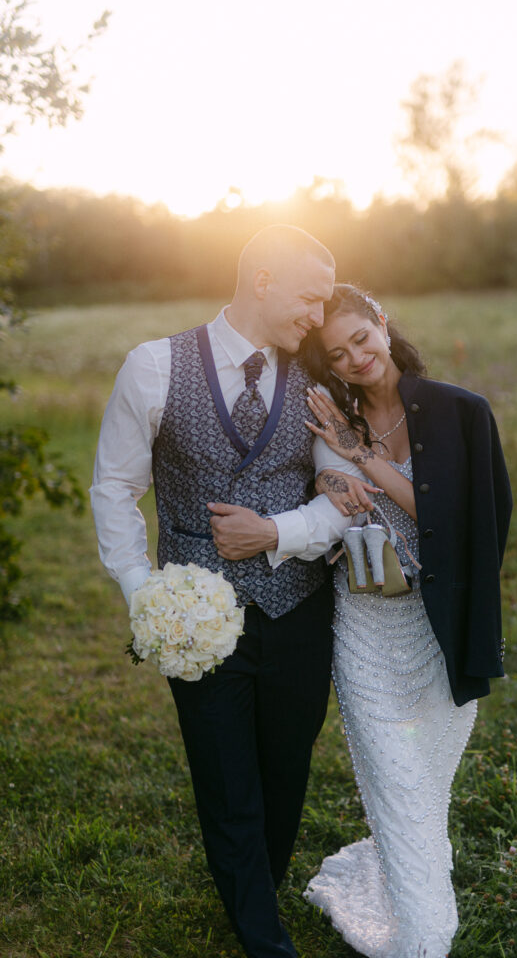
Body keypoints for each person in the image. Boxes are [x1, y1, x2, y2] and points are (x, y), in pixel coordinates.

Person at [212, 284, 512, 957]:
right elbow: (318, 477)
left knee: (423, 793)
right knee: (397, 789)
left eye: (361, 338)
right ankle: (425, 940)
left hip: (439, 632)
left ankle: (407, 890)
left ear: (382, 324)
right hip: (364, 629)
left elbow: (460, 523)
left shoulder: (460, 412)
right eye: (337, 352)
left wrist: (363, 455)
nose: (354, 357)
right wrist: (329, 475)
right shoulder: (327, 412)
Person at [90, 225, 346, 958]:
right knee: (226, 777)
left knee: (285, 767)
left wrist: (276, 532)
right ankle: (264, 938)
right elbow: (115, 488)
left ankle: (253, 889)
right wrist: (144, 591)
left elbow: (344, 495)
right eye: (309, 297)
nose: (317, 317)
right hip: (195, 618)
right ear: (262, 279)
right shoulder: (153, 366)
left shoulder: (317, 378)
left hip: (300, 607)